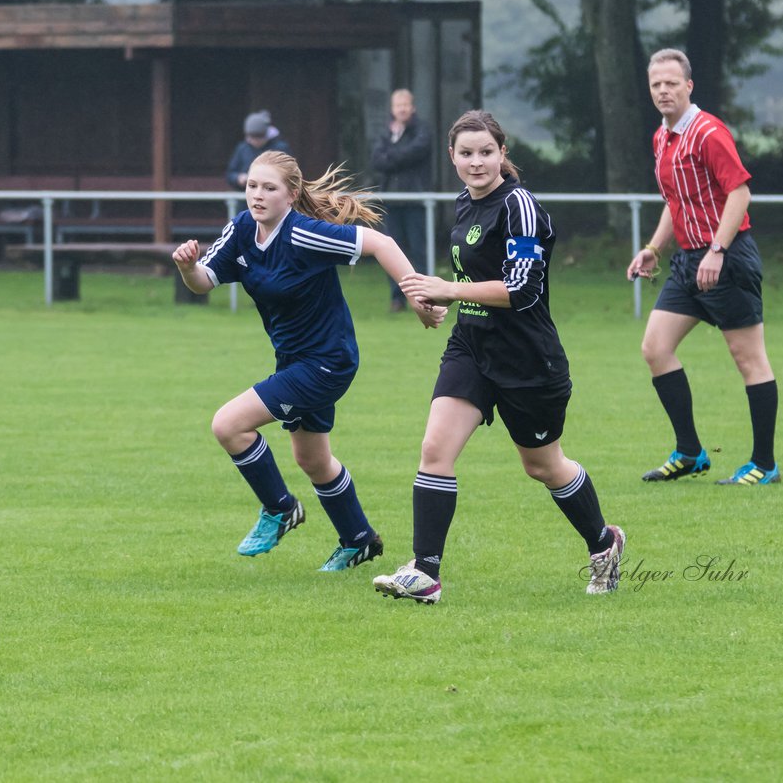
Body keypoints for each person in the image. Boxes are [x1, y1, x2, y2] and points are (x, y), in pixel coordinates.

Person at [371, 110, 626, 604]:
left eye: (486, 152)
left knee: (543, 465)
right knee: (434, 451)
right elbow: (468, 285)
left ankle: (604, 543)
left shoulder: (520, 206)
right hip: (470, 347)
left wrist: (448, 286)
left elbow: (523, 287)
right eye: (466, 154)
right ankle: (425, 573)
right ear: (452, 157)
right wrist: (436, 302)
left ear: (503, 153)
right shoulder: (463, 203)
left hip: (527, 359)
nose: (476, 162)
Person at [174, 150, 447, 572]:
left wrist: (416, 295)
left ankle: (280, 509)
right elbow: (203, 283)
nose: (257, 195)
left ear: (291, 194)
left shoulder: (303, 234)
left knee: (228, 424)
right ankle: (358, 540)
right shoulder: (243, 230)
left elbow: (381, 242)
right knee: (313, 459)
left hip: (327, 362)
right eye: (252, 186)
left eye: (269, 188)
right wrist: (188, 267)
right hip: (295, 362)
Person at [626, 48, 780, 486]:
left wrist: (717, 250)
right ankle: (691, 452)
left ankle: (764, 464)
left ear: (688, 86)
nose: (663, 91)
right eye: (656, 84)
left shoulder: (708, 132)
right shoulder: (662, 137)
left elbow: (740, 194)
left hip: (726, 258)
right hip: (687, 261)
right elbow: (675, 204)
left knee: (749, 359)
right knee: (655, 348)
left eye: (671, 83)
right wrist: (654, 247)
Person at [370, 89, 434, 312]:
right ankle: (397, 298)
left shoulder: (423, 130)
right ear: (392, 109)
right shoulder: (386, 132)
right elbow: (376, 160)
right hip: (392, 201)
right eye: (398, 105)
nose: (402, 109)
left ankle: (426, 297)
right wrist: (395, 150)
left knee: (419, 250)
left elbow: (417, 151)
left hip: (415, 200)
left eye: (405, 105)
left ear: (412, 107)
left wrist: (391, 154)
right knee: (392, 251)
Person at [225, 111, 291, 190]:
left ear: (265, 135)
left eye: (258, 138)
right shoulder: (242, 148)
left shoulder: (281, 148)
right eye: (251, 138)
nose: (254, 141)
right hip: (244, 197)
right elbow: (230, 174)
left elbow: (289, 174)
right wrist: (238, 178)